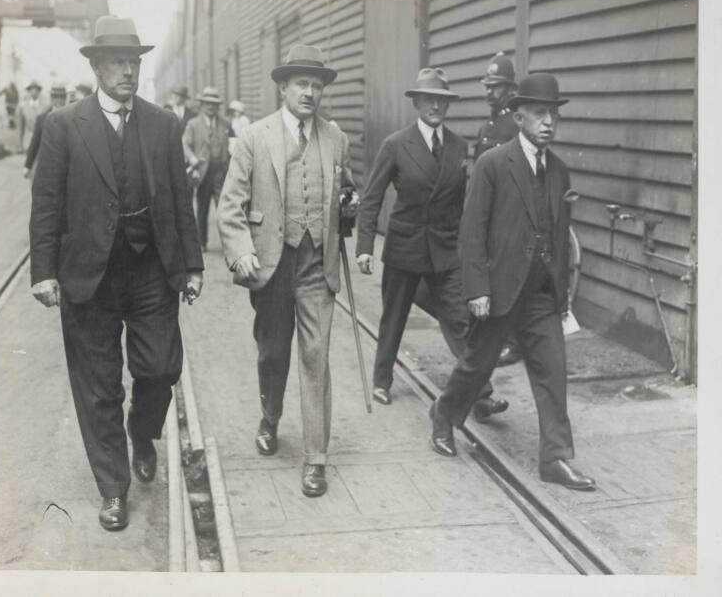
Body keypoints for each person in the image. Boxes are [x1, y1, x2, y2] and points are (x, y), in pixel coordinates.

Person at [29, 15, 204, 530]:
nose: (128, 71)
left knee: (160, 368)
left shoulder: (163, 124)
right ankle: (113, 487)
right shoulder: (64, 126)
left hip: (151, 267)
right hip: (89, 275)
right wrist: (44, 271)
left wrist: (192, 263)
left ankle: (142, 430)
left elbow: (179, 200)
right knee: (98, 385)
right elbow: (46, 205)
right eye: (118, 63)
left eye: (134, 62)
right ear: (97, 67)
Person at [429, 73, 595, 491]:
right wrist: (478, 289)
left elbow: (558, 237)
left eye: (553, 114)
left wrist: (562, 296)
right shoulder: (492, 164)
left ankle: (555, 458)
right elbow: (472, 231)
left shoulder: (559, 172)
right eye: (539, 113)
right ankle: (445, 415)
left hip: (540, 295)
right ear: (518, 116)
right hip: (500, 292)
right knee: (475, 365)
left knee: (553, 372)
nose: (548, 122)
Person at [217, 44, 358, 498]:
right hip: (272, 266)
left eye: (317, 86)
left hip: (318, 265)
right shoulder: (255, 138)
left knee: (316, 358)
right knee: (272, 353)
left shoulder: (336, 139)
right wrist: (239, 251)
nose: (310, 93)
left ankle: (316, 458)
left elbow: (345, 191)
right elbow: (230, 205)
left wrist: (348, 207)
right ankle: (270, 415)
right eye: (302, 84)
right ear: (283, 87)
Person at [355, 68, 506, 422]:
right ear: (417, 103)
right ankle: (381, 379)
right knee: (394, 317)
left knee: (460, 319)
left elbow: (462, 203)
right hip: (405, 248)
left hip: (445, 250)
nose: (435, 106)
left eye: (442, 100)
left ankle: (480, 395)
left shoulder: (457, 146)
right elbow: (371, 197)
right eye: (429, 99)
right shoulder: (396, 144)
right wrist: (364, 246)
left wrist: (472, 251)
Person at [475, 52, 523, 368]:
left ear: (508, 88)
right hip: (489, 213)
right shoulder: (489, 125)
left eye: (495, 87)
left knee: (511, 277)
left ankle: (514, 342)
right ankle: (498, 337)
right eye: (488, 86)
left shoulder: (514, 125)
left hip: (510, 215)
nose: (489, 92)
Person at [183, 86, 231, 252]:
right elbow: (184, 144)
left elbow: (234, 142)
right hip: (202, 173)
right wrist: (193, 159)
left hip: (220, 173)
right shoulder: (193, 124)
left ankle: (229, 244)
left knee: (224, 210)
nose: (211, 107)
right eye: (208, 103)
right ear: (202, 105)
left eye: (214, 104)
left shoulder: (225, 123)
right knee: (202, 210)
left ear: (218, 106)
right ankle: (202, 243)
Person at [23, 82, 68, 179]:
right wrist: (27, 165)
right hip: (45, 164)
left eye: (62, 97)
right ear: (52, 98)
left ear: (65, 98)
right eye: (56, 97)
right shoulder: (42, 118)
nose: (59, 100)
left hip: (65, 165)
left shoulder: (72, 117)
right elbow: (35, 142)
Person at [16, 80, 46, 153]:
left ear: (39, 91)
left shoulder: (44, 106)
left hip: (41, 141)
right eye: (31, 89)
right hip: (28, 140)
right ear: (29, 91)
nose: (34, 92)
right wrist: (20, 144)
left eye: (36, 90)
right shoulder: (23, 107)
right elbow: (20, 127)